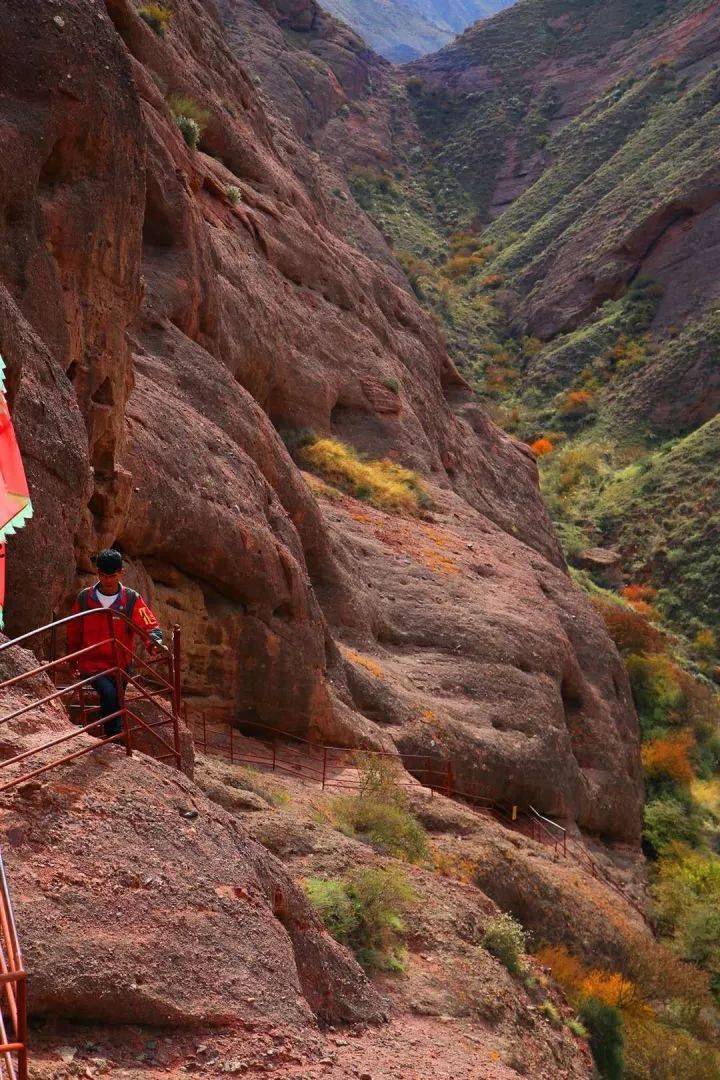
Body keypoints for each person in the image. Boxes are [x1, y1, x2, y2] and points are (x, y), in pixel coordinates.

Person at [66, 549, 164, 738]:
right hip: (91, 664)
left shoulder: (131, 599)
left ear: (121, 573)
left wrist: (154, 642)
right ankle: (114, 737)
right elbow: (74, 630)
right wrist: (72, 658)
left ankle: (110, 737)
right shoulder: (85, 598)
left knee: (115, 700)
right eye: (103, 575)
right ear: (98, 573)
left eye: (112, 576)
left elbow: (148, 624)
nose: (108, 580)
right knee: (109, 693)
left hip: (120, 665)